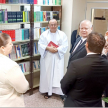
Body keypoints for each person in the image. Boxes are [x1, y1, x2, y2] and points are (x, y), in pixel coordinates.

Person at [61, 32, 108, 107]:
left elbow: (64, 85)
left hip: (75, 104)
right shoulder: (106, 64)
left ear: (87, 45)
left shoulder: (76, 64)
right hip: (96, 104)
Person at [38, 19, 68, 100]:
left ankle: (58, 92)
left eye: (55, 24)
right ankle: (48, 91)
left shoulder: (62, 34)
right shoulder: (44, 34)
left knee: (58, 74)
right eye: (51, 24)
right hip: (47, 57)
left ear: (57, 25)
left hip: (58, 57)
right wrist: (48, 48)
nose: (53, 26)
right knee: (47, 74)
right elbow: (40, 45)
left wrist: (57, 49)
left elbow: (65, 45)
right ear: (48, 25)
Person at [0, 33, 29, 107]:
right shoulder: (11, 66)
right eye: (10, 44)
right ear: (3, 48)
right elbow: (23, 88)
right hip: (8, 103)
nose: (12, 45)